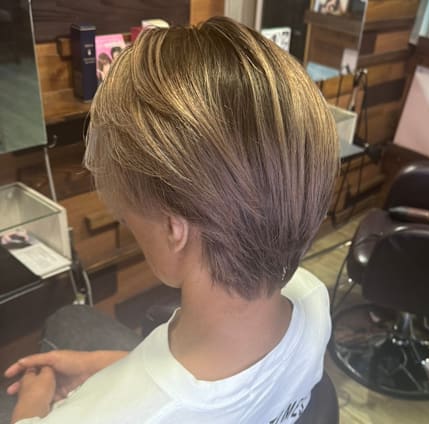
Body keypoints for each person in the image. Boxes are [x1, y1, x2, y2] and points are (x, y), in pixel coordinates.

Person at [4, 16, 338, 423]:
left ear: (172, 228)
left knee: (66, 321)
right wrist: (112, 370)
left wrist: (31, 405)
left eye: (129, 218)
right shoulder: (312, 298)